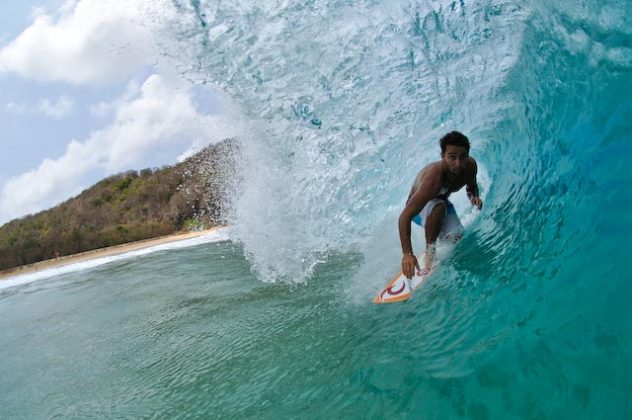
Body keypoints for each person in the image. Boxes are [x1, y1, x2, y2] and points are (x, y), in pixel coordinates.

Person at [398, 131, 483, 279]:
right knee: (439, 207)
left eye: (463, 156)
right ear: (443, 156)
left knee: (456, 238)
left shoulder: (470, 166)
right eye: (452, 157)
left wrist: (474, 197)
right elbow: (404, 216)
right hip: (419, 211)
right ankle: (430, 252)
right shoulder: (433, 179)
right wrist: (407, 254)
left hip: (440, 203)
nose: (458, 163)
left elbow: (471, 186)